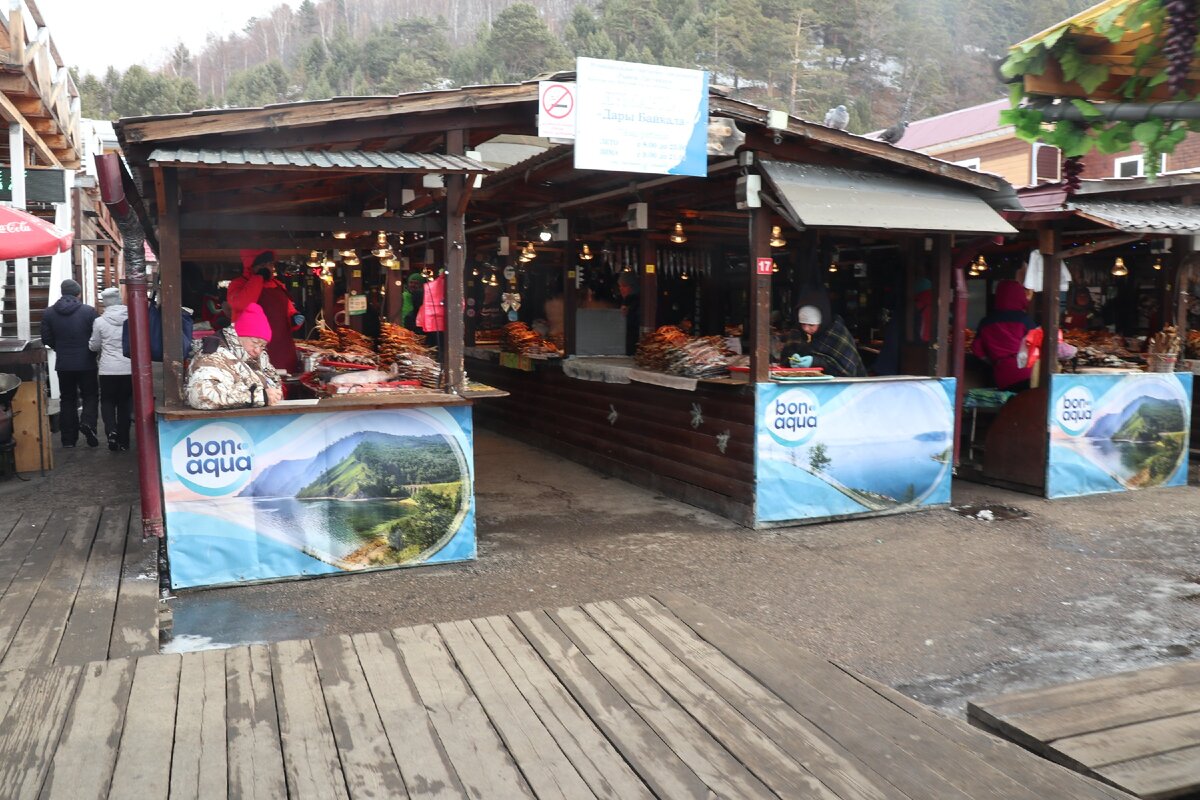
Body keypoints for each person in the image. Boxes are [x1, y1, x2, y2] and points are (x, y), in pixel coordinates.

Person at [186, 303, 283, 410]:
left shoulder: (260, 358)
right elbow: (201, 396)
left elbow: (274, 384)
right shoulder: (212, 357)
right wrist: (257, 397)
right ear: (238, 336)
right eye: (255, 342)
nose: (257, 350)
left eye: (262, 345)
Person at [41, 279, 99, 448]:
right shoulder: (89, 312)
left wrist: (59, 348)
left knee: (67, 398)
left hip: (64, 363)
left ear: (62, 292)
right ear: (78, 293)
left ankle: (68, 439)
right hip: (87, 362)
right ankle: (88, 423)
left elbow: (46, 338)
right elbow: (97, 336)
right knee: (90, 395)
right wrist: (91, 351)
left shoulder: (49, 313)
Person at [228, 250, 302, 373]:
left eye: (270, 264)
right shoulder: (238, 284)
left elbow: (288, 310)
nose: (268, 268)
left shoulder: (278, 285)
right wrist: (258, 278)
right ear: (252, 267)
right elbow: (242, 304)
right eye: (263, 265)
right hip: (253, 345)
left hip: (282, 345)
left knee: (286, 377)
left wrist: (294, 319)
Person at [89, 287, 133, 451]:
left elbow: (94, 346)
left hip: (107, 370)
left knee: (107, 401)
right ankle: (124, 441)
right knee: (124, 404)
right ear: (119, 299)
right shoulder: (131, 318)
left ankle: (111, 431)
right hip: (128, 368)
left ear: (105, 303)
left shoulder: (99, 321)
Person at [972, 279, 1036, 391]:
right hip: (1026, 373)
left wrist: (993, 361)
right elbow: (1037, 343)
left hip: (1002, 373)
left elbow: (977, 349)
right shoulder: (1024, 320)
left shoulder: (986, 322)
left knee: (1008, 401)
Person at [783, 299, 867, 378]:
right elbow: (786, 357)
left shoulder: (836, 333)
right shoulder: (798, 332)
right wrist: (792, 359)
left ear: (822, 322)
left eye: (811, 325)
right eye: (803, 324)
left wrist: (815, 362)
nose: (806, 329)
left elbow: (846, 371)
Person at [617, 272, 640, 356]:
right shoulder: (621, 300)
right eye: (620, 286)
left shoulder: (636, 302)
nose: (621, 289)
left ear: (633, 287)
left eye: (625, 286)